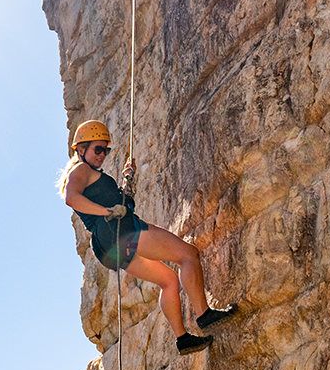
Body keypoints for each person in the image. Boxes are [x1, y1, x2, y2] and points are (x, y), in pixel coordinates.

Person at [59, 120, 233, 355]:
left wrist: (126, 184)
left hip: (112, 246)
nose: (102, 155)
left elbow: (109, 201)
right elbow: (72, 198)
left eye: (105, 150)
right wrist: (108, 211)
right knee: (188, 255)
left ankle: (182, 339)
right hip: (125, 232)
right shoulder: (81, 171)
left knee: (168, 280)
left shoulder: (92, 175)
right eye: (97, 149)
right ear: (81, 150)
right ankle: (204, 315)